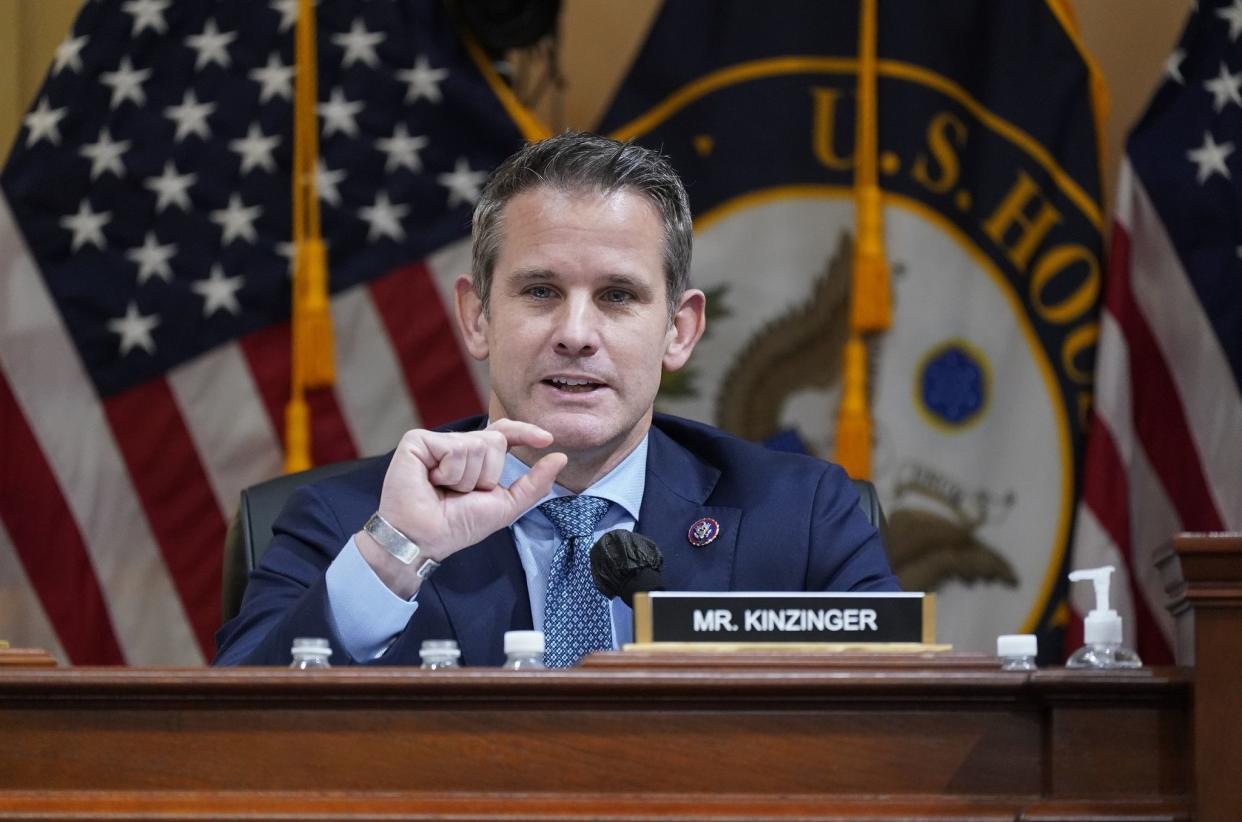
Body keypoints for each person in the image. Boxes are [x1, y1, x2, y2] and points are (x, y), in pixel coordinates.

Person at [214, 132, 898, 667]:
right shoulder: (347, 523)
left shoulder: (803, 520)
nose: (576, 334)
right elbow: (226, 755)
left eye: (617, 296)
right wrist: (396, 558)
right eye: (540, 291)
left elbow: (902, 745)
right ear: (478, 317)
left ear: (679, 330)